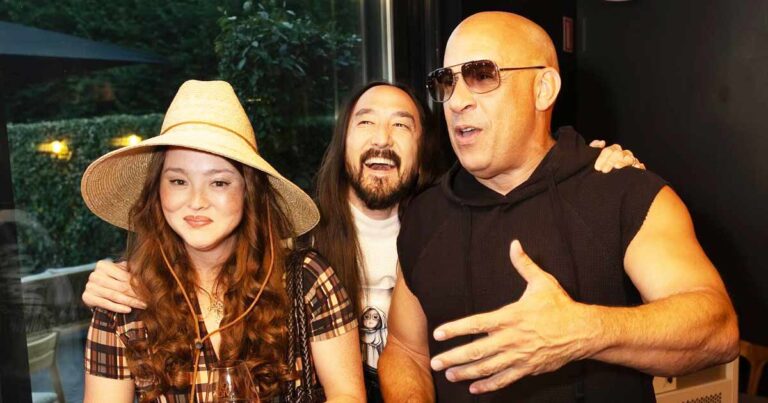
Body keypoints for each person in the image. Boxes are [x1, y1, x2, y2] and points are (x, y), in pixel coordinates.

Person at [81, 81, 641, 401]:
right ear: (342, 141)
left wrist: (591, 169)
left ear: (424, 146)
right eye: (365, 122)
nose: (381, 138)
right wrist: (114, 280)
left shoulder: (453, 225)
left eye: (402, 124)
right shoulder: (302, 243)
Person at [378, 11, 739, 403]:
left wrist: (582, 331)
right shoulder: (425, 215)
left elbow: (718, 331)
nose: (457, 100)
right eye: (446, 82)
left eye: (481, 75)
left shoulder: (623, 192)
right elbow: (406, 350)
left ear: (543, 88)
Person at [80, 80, 364, 403]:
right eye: (178, 181)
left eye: (218, 182)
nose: (196, 201)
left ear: (248, 191)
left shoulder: (307, 279)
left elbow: (348, 395)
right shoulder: (122, 299)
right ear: (157, 192)